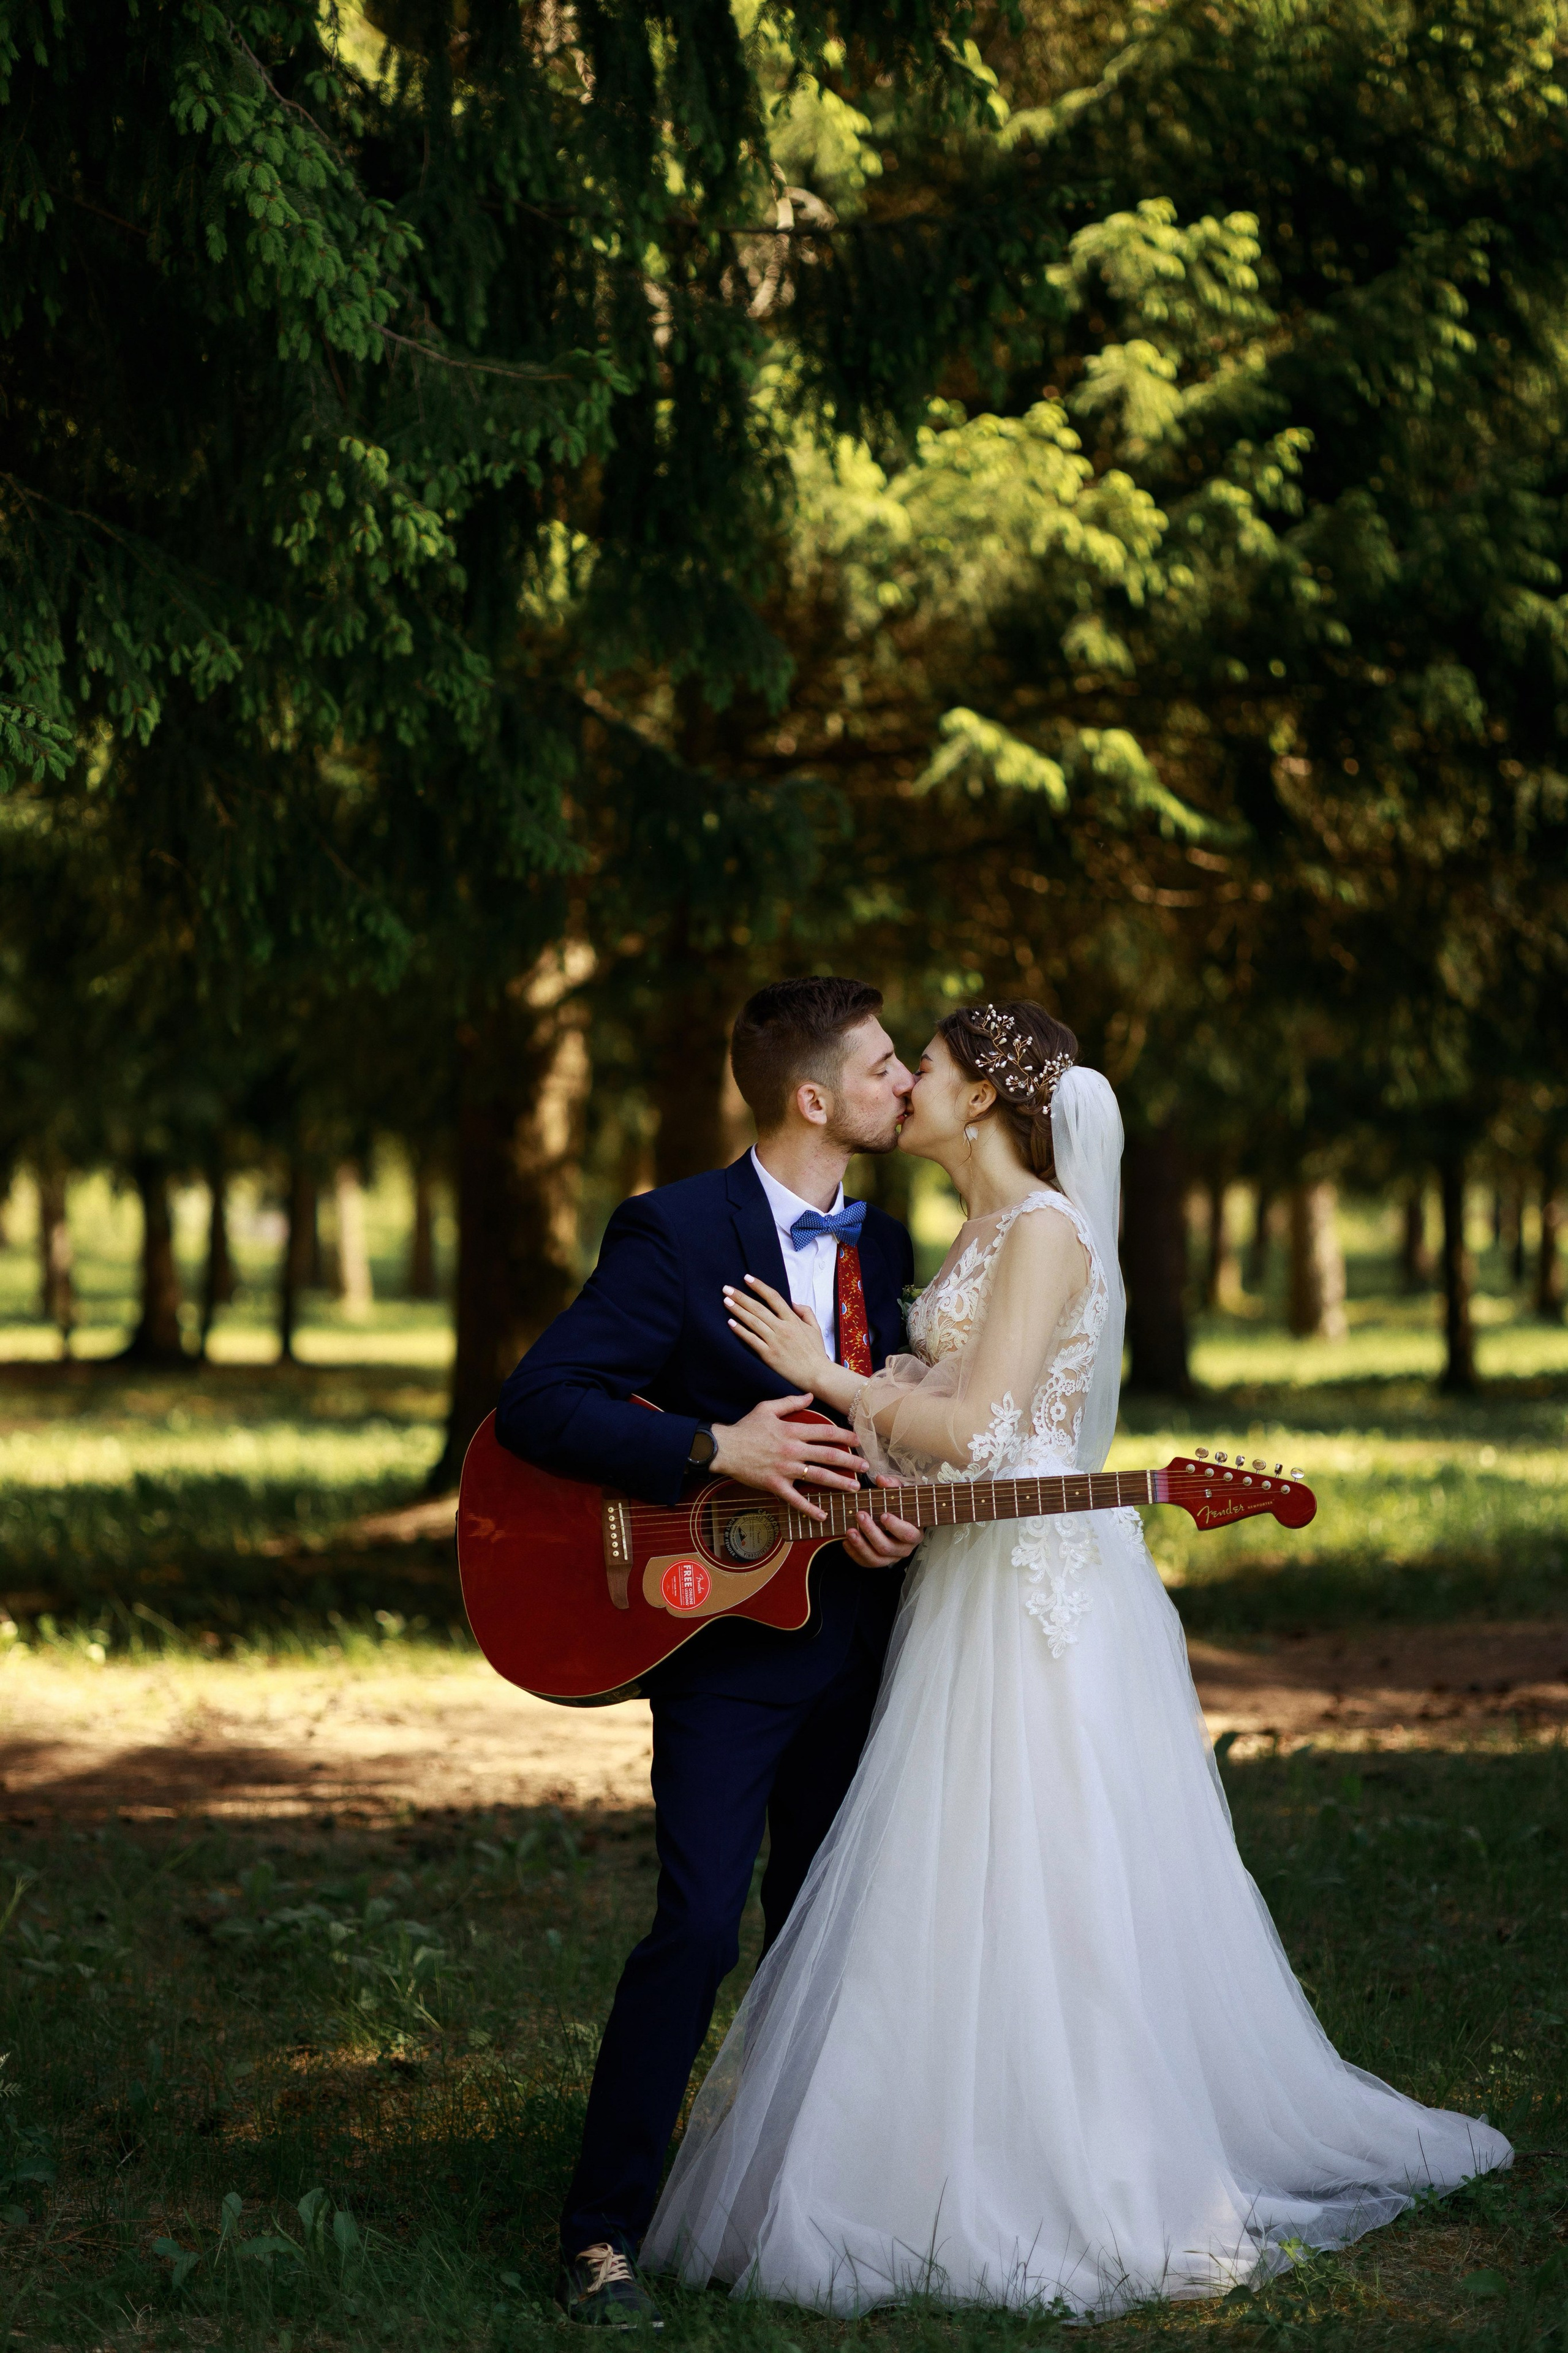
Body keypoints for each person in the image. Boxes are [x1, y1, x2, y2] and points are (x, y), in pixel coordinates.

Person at [644, 1000, 1512, 2318]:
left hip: (1034, 1593)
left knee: (1048, 1861)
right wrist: (869, 1459)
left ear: (981, 1096)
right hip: (958, 1581)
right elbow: (944, 1427)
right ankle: (925, 2142)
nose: (904, 1086)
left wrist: (832, 1377)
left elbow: (987, 1429)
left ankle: (1083, 2157)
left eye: (919, 1066)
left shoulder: (1044, 1228)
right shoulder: (970, 1232)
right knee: (945, 1865)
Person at [496, 976, 924, 2327]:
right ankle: (599, 2235)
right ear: (813, 1098)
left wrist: (879, 1512)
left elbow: (889, 1424)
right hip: (724, 1643)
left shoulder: (896, 1242)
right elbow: (540, 1401)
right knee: (694, 1924)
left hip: (866, 1638)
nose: (906, 1080)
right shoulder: (677, 1229)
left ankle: (796, 2212)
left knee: (825, 1925)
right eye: (883, 1063)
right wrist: (712, 1444)